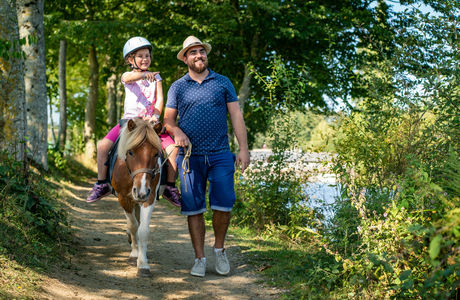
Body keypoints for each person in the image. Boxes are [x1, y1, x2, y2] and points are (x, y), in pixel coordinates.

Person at [164, 36, 250, 277]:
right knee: (194, 208)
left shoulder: (222, 83)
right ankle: (199, 258)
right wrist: (177, 131)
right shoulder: (177, 87)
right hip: (190, 158)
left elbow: (236, 117)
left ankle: (219, 250)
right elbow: (168, 121)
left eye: (202, 51)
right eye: (193, 52)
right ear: (185, 58)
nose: (199, 55)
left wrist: (243, 149)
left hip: (221, 154)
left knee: (223, 205)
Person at [86, 36, 181, 207]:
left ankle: (170, 187)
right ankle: (101, 183)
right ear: (130, 59)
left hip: (150, 124)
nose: (145, 59)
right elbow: (130, 78)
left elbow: (159, 99)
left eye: (147, 56)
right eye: (141, 56)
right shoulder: (127, 75)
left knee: (173, 150)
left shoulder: (156, 78)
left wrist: (156, 115)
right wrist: (144, 75)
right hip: (129, 122)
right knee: (102, 147)